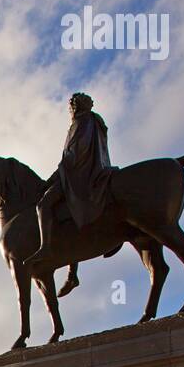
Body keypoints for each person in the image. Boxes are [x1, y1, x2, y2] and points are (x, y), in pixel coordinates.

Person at [25, 92, 114, 279]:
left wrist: (52, 180)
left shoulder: (81, 123)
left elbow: (71, 157)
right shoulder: (95, 122)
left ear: (75, 107)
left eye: (71, 107)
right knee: (68, 215)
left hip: (78, 176)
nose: (70, 111)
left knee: (44, 204)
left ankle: (46, 248)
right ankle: (72, 272)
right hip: (91, 172)